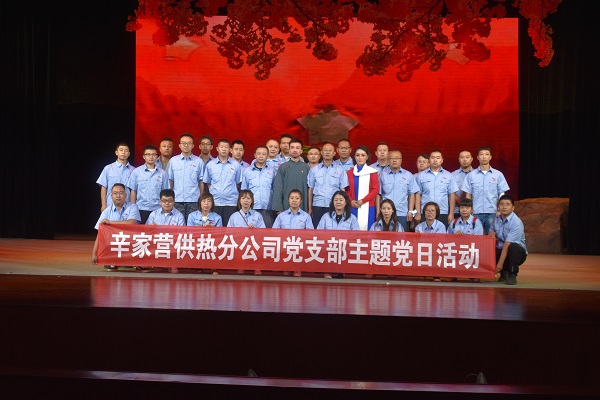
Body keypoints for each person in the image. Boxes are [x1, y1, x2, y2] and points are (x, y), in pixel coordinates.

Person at [91, 183, 141, 271]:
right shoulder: (106, 211)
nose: (118, 196)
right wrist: (94, 253)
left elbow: (131, 223)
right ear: (111, 196)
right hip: (114, 244)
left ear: (125, 195)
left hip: (130, 242)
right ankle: (114, 261)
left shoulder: (133, 207)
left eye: (121, 193)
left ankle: (129, 261)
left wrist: (110, 222)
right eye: (115, 193)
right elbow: (100, 233)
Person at [462, 146, 510, 234]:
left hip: (492, 212)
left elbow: (501, 194)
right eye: (481, 154)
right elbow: (468, 195)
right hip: (476, 212)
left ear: (490, 157)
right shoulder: (471, 175)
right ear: (477, 157)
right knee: (475, 237)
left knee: (492, 237)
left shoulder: (498, 174)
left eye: (486, 154)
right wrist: (469, 211)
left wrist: (499, 210)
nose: (484, 157)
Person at [316, 190, 360, 278]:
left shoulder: (352, 218)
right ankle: (328, 271)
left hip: (345, 247)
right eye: (336, 200)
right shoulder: (326, 216)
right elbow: (318, 233)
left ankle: (341, 270)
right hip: (328, 246)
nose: (338, 202)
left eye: (341, 200)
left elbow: (356, 235)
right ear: (333, 202)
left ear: (345, 202)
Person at [272, 189, 314, 277]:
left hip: (300, 246)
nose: (294, 200)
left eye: (297, 198)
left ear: (301, 201)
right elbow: (274, 233)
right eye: (292, 198)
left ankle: (297, 268)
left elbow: (310, 234)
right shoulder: (281, 216)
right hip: (284, 245)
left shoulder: (306, 216)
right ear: (288, 200)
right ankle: (286, 267)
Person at [307, 142, 349, 228]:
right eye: (325, 150)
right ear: (321, 153)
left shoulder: (340, 170)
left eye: (330, 151)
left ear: (334, 153)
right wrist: (310, 208)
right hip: (317, 205)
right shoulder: (314, 170)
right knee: (317, 229)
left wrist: (343, 207)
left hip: (334, 205)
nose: (327, 152)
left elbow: (343, 190)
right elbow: (310, 189)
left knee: (333, 229)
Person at [489, 194, 527, 285]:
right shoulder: (496, 219)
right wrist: (491, 235)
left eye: (507, 204)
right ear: (498, 207)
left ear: (513, 208)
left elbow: (507, 244)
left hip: (516, 253)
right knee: (490, 247)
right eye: (502, 204)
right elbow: (490, 234)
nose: (504, 207)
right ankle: (504, 273)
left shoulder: (516, 222)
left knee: (513, 247)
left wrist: (499, 264)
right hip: (501, 249)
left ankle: (512, 274)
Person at [203, 138, 242, 226]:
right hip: (215, 202)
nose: (224, 149)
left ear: (230, 149)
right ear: (217, 149)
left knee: (229, 229)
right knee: (214, 229)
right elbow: (208, 183)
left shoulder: (236, 165)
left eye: (226, 147)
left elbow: (238, 183)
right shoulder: (210, 165)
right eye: (221, 147)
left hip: (231, 203)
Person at [146, 188, 186, 274]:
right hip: (156, 241)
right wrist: (151, 227)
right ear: (160, 201)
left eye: (169, 201)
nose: (167, 203)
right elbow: (146, 231)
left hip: (172, 241)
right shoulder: (153, 214)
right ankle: (155, 264)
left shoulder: (179, 216)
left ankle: (173, 264)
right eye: (164, 201)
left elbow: (182, 234)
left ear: (174, 202)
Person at [415, 150, 458, 228]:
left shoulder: (449, 175)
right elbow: (418, 195)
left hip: (443, 212)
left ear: (442, 160)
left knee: (441, 235)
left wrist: (451, 214)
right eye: (433, 158)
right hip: (425, 212)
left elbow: (452, 195)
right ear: (429, 160)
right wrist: (418, 212)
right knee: (425, 234)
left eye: (438, 158)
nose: (435, 160)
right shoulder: (421, 175)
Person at [127, 144, 169, 224]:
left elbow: (165, 193)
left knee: (156, 231)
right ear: (144, 156)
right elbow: (133, 191)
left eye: (153, 154)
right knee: (140, 231)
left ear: (156, 156)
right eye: (148, 154)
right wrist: (133, 208)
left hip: (157, 209)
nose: (151, 157)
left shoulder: (163, 174)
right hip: (140, 208)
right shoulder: (136, 172)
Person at [228, 189, 266, 276]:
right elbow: (229, 233)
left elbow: (263, 232)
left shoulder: (257, 215)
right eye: (243, 198)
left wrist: (254, 230)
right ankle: (241, 266)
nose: (246, 201)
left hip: (254, 243)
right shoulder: (234, 216)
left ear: (252, 200)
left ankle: (256, 267)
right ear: (239, 200)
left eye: (248, 198)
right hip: (239, 243)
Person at [378, 149, 419, 231]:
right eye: (392, 158)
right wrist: (378, 211)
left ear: (401, 160)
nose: (394, 160)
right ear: (388, 160)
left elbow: (412, 194)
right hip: (385, 213)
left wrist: (410, 211)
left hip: (402, 213)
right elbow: (379, 195)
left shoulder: (408, 175)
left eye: (397, 158)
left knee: (401, 237)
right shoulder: (382, 175)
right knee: (384, 236)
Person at [168, 133, 204, 222]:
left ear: (193, 145)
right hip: (177, 199)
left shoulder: (199, 161)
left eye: (189, 143)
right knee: (177, 225)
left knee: (194, 226)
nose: (186, 145)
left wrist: (201, 198)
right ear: (180, 145)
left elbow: (201, 182)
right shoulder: (173, 161)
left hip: (194, 200)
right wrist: (170, 197)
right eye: (184, 143)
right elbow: (170, 180)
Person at [241, 145, 277, 228]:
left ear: (267, 156)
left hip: (267, 208)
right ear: (255, 155)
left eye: (264, 154)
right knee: (251, 232)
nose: (261, 156)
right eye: (259, 154)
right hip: (251, 208)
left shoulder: (272, 171)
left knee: (267, 232)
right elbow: (244, 190)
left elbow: (275, 189)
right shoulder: (248, 171)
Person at [346, 145, 380, 230]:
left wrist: (363, 201)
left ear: (367, 157)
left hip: (368, 206)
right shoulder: (349, 173)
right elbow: (347, 190)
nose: (360, 157)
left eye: (363, 155)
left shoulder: (372, 172)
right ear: (354, 157)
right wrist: (351, 201)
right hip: (353, 206)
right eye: (357, 155)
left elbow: (375, 190)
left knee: (367, 232)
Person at [272, 138, 310, 213]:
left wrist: (310, 208)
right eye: (292, 147)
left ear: (301, 151)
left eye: (297, 148)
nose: (295, 150)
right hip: (285, 206)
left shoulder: (306, 168)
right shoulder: (283, 167)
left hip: (303, 206)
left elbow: (310, 189)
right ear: (289, 150)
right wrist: (278, 208)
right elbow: (278, 188)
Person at [96, 142, 135, 212]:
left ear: (129, 154)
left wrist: (132, 207)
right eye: (121, 150)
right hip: (110, 205)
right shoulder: (108, 168)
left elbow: (133, 190)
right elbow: (104, 187)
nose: (123, 152)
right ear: (116, 152)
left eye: (126, 150)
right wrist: (103, 204)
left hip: (127, 206)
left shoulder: (134, 170)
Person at [414, 201, 446, 282]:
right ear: (424, 213)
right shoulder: (419, 227)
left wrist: (423, 237)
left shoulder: (441, 226)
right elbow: (417, 242)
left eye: (432, 211)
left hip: (436, 250)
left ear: (436, 213)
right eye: (427, 210)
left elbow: (438, 241)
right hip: (423, 250)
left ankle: (436, 274)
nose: (430, 213)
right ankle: (422, 273)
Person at [451, 149, 473, 216]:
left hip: (474, 210)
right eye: (462, 157)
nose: (465, 159)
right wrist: (460, 202)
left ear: (472, 159)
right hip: (456, 210)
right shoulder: (452, 175)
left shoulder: (477, 175)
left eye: (467, 157)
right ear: (459, 159)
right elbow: (449, 192)